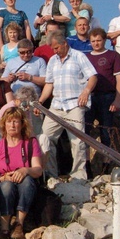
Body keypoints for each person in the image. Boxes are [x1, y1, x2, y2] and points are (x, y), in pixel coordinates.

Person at [37, 33, 98, 180]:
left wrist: (86, 92)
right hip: (56, 105)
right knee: (45, 137)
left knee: (77, 141)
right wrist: (40, 101)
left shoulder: (79, 56)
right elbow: (49, 84)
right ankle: (50, 174)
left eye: (57, 47)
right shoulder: (52, 60)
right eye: (53, 49)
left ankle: (79, 175)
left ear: (64, 43)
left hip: (75, 104)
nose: (55, 51)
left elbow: (93, 77)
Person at [0, 107, 43, 239]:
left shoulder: (31, 143)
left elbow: (38, 169)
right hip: (5, 183)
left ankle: (19, 223)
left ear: (22, 124)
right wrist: (2, 177)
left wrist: (25, 170)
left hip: (25, 184)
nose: (12, 125)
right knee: (6, 186)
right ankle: (4, 230)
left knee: (27, 181)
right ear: (4, 124)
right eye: (9, 122)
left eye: (15, 121)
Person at [86, 28, 120, 169]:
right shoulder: (86, 57)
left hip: (107, 97)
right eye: (93, 41)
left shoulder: (113, 55)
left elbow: (119, 79)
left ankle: (106, 164)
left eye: (99, 40)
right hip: (90, 97)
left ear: (105, 40)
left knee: (106, 132)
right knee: (85, 132)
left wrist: (117, 100)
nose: (96, 43)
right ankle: (86, 164)